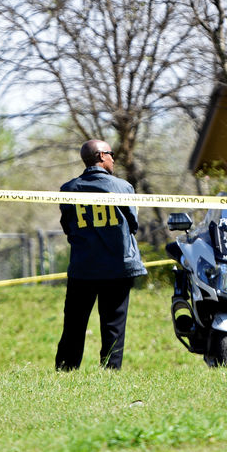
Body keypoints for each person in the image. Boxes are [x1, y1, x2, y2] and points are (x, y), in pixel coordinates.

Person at [55, 140, 147, 371]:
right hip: (118, 266)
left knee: (74, 324)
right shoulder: (123, 188)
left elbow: (68, 226)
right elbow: (133, 224)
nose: (114, 158)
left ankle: (66, 369)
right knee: (113, 324)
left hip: (83, 267)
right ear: (100, 156)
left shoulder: (69, 189)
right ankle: (110, 371)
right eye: (111, 154)